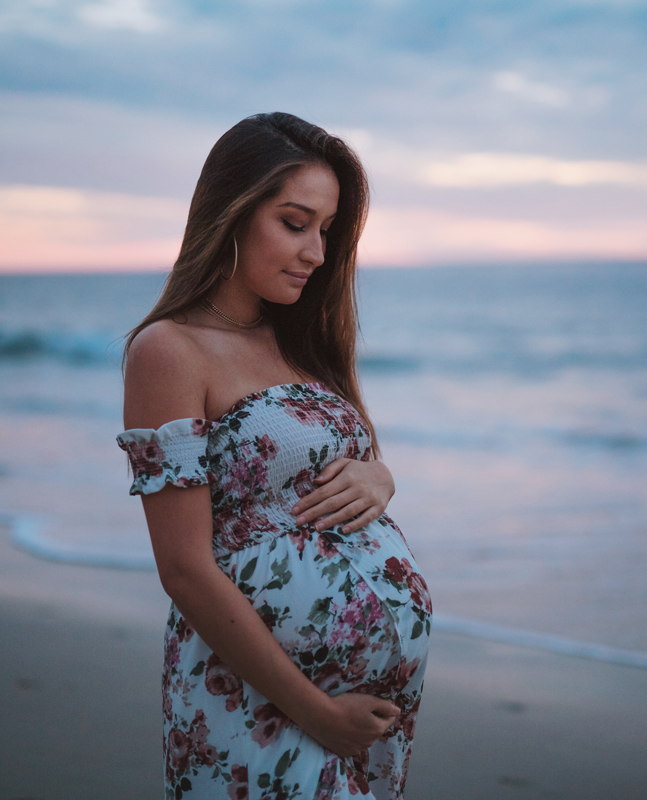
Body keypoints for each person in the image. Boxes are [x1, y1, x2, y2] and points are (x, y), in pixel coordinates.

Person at [117, 112, 431, 800]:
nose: (316, 252)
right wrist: (317, 712)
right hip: (257, 705)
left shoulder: (300, 342)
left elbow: (334, 465)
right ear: (230, 212)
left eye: (326, 230)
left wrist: (380, 476)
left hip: (362, 717)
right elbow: (184, 569)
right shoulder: (171, 350)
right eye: (295, 223)